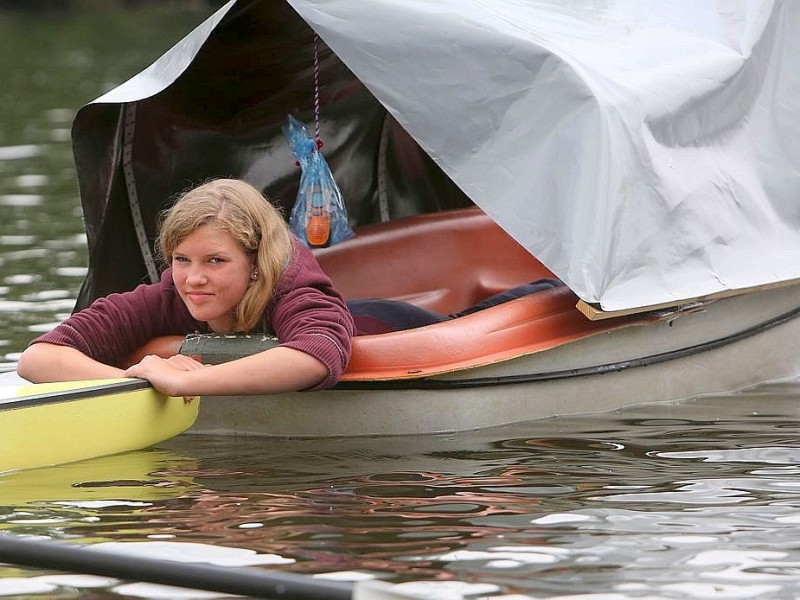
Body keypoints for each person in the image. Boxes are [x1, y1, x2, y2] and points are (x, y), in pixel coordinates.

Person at [16, 178, 356, 397]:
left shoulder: (295, 290)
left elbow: (316, 355)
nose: (193, 278)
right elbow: (38, 357)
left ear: (255, 263)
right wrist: (141, 382)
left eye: (215, 261)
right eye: (182, 260)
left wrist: (187, 383)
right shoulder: (168, 295)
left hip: (378, 318)